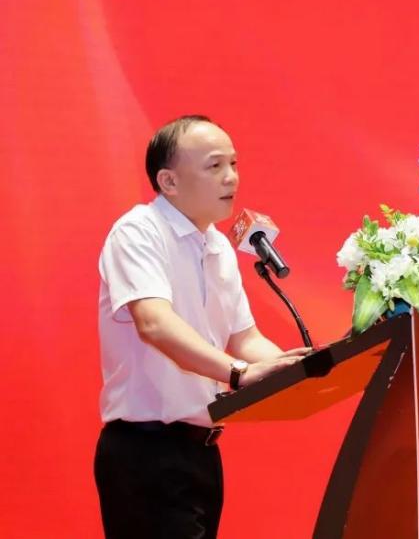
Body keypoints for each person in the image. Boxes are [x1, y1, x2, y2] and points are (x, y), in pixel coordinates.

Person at [94, 115, 307, 538]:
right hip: (146, 454)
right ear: (169, 181)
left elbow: (244, 338)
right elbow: (154, 323)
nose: (231, 177)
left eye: (234, 163)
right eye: (215, 166)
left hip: (202, 453)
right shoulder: (138, 232)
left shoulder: (218, 246)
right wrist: (238, 373)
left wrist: (301, 366)